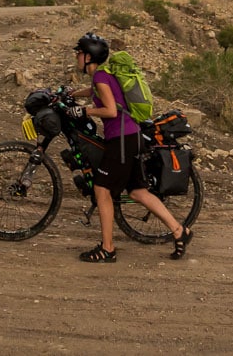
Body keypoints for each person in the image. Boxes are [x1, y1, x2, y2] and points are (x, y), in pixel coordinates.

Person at [68, 32, 193, 263]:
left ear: (88, 57)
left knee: (102, 189)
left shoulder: (100, 77)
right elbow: (100, 93)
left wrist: (84, 110)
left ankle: (107, 248)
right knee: (137, 192)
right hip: (130, 136)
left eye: (79, 53)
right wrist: (72, 94)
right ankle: (179, 231)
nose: (76, 56)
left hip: (122, 140)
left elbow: (111, 110)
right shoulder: (103, 76)